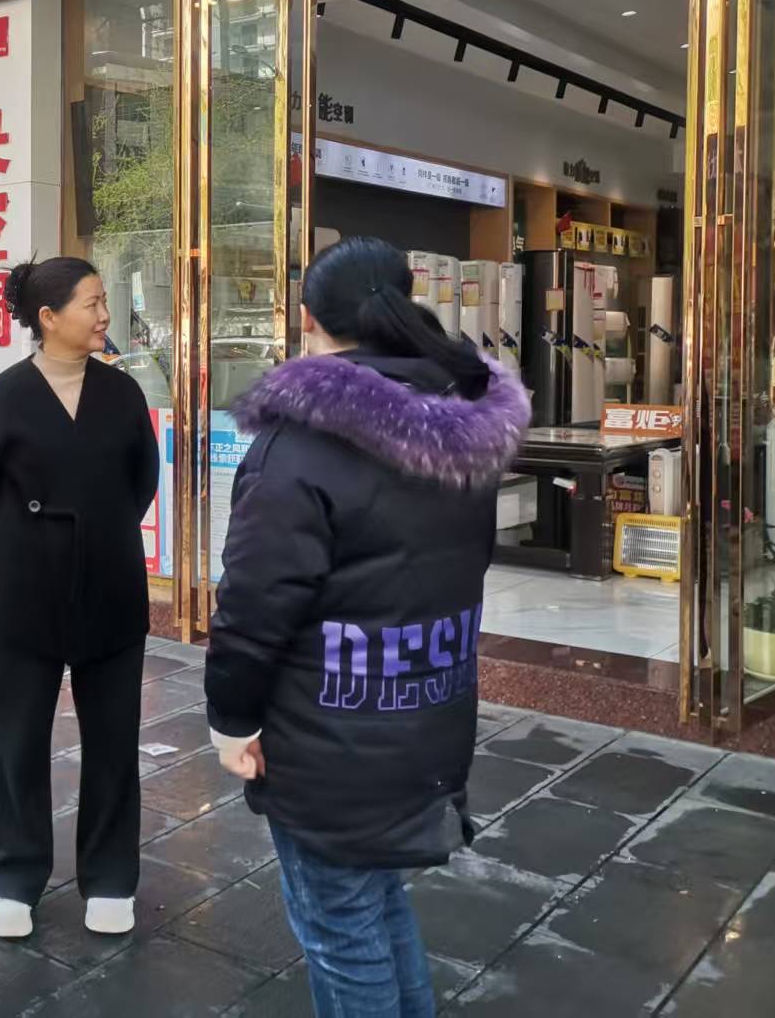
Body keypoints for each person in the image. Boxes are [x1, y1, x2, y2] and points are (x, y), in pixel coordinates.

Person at [204, 236, 530, 1017]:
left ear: (307, 319)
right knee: (374, 904)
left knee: (342, 932)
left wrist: (231, 720)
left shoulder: (299, 445)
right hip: (427, 713)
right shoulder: (462, 426)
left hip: (327, 740)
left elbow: (253, 605)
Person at [0, 257, 160, 940]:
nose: (104, 315)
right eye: (92, 303)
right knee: (15, 740)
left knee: (114, 740)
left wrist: (98, 531)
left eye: (103, 301)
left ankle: (111, 876)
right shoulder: (4, 396)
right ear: (49, 317)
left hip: (111, 589)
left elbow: (141, 480)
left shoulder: (122, 393)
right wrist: (23, 543)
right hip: (24, 597)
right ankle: (12, 878)